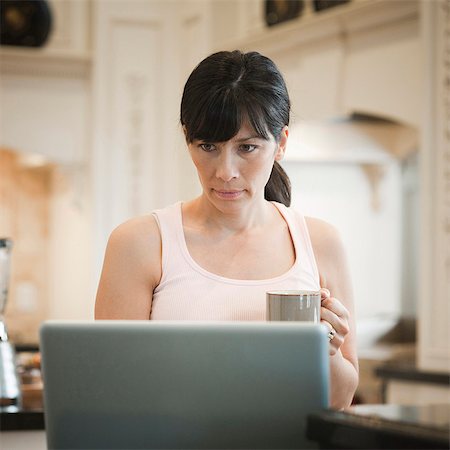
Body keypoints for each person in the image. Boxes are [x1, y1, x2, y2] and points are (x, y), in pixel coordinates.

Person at [95, 50, 358, 409]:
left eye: (247, 147)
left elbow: (339, 402)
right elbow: (112, 390)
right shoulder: (140, 243)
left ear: (280, 143)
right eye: (207, 146)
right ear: (188, 139)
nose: (225, 171)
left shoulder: (320, 243)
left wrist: (325, 353)